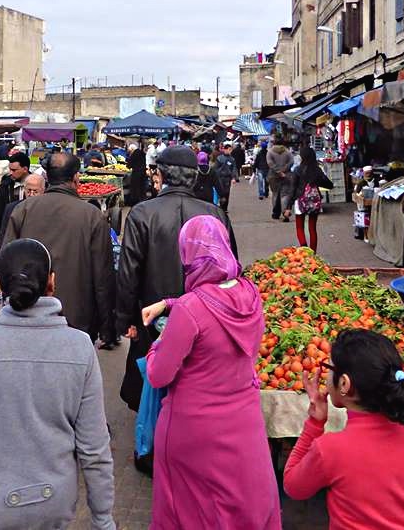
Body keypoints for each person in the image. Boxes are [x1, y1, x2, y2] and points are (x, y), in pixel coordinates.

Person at [0, 239, 115, 530]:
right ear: (52, 282)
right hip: (52, 505)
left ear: (0, 287)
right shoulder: (80, 348)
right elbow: (94, 448)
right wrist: (102, 518)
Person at [142, 216, 281, 529]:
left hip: (193, 430)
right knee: (239, 506)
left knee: (192, 510)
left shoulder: (192, 309)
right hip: (244, 423)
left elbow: (159, 375)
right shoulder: (250, 295)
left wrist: (157, 345)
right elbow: (216, 302)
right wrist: (168, 304)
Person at [283, 329, 404, 529]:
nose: (326, 377)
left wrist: (314, 424)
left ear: (344, 384)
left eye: (328, 368)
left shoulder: (329, 449)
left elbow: (293, 487)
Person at [116, 146, 238, 420]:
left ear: (159, 175)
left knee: (153, 376)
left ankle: (153, 445)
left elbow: (128, 273)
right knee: (195, 378)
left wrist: (125, 319)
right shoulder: (215, 214)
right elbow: (231, 272)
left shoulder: (142, 213)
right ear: (194, 177)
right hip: (204, 314)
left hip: (151, 312)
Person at [2, 153, 114, 344]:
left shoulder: (23, 209)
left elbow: (5, 262)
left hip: (27, 312)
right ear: (76, 178)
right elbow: (103, 276)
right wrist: (107, 325)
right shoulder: (92, 216)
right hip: (76, 318)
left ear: (47, 178)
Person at [0, 152, 30, 252]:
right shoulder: (5, 187)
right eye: (10, 169)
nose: (11, 173)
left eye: (14, 170)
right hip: (9, 237)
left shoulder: (38, 184)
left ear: (25, 169)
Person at [291, 147, 333, 253]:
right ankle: (313, 252)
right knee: (312, 228)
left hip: (300, 201)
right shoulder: (317, 170)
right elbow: (329, 184)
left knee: (300, 227)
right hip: (314, 202)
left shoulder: (297, 170)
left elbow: (293, 188)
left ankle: (304, 250)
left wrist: (287, 206)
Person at [0, 173, 45, 248]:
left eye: (35, 191)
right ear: (24, 189)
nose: (31, 194)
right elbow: (3, 237)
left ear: (43, 191)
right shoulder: (12, 208)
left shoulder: (48, 211)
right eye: (28, 191)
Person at [267, 136, 294, 220]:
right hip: (286, 176)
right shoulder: (287, 152)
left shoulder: (270, 152)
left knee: (275, 194)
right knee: (284, 194)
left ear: (274, 143)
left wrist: (278, 171)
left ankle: (276, 213)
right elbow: (291, 162)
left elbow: (270, 163)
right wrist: (284, 170)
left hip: (273, 176)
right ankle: (285, 211)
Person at [212, 144, 236, 212]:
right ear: (225, 150)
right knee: (220, 192)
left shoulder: (232, 159)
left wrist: (233, 177)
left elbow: (233, 169)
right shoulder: (219, 158)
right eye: (229, 149)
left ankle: (225, 208)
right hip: (220, 178)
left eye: (231, 150)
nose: (230, 151)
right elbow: (215, 168)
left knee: (227, 193)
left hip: (227, 178)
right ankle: (220, 206)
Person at [125, 142, 148, 206]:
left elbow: (129, 165)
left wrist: (128, 161)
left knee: (135, 188)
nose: (130, 153)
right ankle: (142, 201)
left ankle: (135, 202)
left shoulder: (135, 153)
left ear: (132, 149)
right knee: (142, 188)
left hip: (136, 173)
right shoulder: (142, 153)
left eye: (130, 151)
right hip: (143, 173)